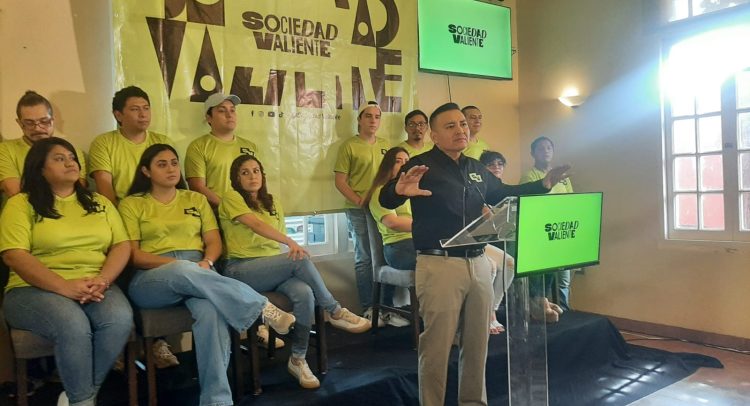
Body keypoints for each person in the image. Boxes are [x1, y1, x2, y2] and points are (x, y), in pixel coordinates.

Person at [380, 103, 569, 406]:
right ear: (434, 135)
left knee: (477, 344)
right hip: (440, 264)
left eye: (463, 124)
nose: (460, 130)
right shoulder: (421, 165)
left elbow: (504, 192)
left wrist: (543, 185)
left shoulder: (476, 168)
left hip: (479, 262)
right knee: (437, 347)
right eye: (451, 126)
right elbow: (386, 196)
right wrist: (397, 191)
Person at [119, 144, 295, 406]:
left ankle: (216, 400)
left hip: (200, 272)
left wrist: (208, 261)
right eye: (162, 164)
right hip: (151, 279)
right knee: (181, 268)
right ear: (146, 171)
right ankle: (261, 307)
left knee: (211, 313)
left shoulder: (195, 200)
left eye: (174, 163)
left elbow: (213, 242)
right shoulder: (132, 203)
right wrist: (183, 266)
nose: (171, 169)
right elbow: (134, 256)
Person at [219, 154, 371, 389]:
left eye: (256, 171)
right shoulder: (231, 198)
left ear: (263, 175)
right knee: (299, 261)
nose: (252, 176)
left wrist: (286, 251)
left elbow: (274, 241)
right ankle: (335, 310)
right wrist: (290, 242)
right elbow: (256, 225)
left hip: (271, 267)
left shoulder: (272, 202)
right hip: (241, 268)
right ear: (236, 178)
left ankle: (298, 358)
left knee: (304, 293)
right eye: (245, 172)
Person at [1, 137, 133, 406]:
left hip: (95, 283)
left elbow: (122, 245)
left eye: (72, 157)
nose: (70, 163)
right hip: (32, 289)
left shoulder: (99, 202)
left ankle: (80, 395)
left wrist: (103, 279)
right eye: (59, 159)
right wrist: (65, 286)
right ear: (40, 168)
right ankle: (83, 401)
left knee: (119, 319)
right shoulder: (20, 204)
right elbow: (14, 255)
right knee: (73, 325)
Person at [334, 101, 408, 327]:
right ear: (359, 119)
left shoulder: (385, 145)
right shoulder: (349, 146)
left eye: (377, 116)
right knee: (365, 257)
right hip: (358, 209)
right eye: (368, 116)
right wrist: (359, 201)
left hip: (384, 205)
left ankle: (386, 308)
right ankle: (369, 308)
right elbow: (340, 181)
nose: (373, 120)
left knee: (384, 255)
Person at [89, 86, 172, 204]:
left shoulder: (163, 142)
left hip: (160, 207)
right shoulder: (103, 143)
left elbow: (173, 183)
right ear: (118, 115)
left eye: (146, 108)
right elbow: (105, 190)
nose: (143, 114)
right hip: (121, 208)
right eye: (135, 109)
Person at [0, 91, 87, 201]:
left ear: (52, 121)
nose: (37, 128)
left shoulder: (71, 152)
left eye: (44, 121)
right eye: (29, 123)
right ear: (20, 123)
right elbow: (14, 192)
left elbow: (77, 191)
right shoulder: (5, 150)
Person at [521, 136, 574, 311]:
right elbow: (531, 204)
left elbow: (571, 201)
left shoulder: (562, 176)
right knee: (545, 275)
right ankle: (542, 309)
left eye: (549, 148)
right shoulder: (530, 176)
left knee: (564, 277)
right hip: (543, 232)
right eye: (541, 148)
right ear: (533, 153)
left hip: (562, 230)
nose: (546, 151)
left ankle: (565, 311)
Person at [185, 92, 258, 208]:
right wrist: (228, 209)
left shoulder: (250, 146)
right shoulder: (198, 146)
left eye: (232, 110)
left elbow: (258, 184)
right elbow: (197, 187)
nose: (229, 115)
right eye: (222, 111)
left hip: (249, 212)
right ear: (209, 118)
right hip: (215, 214)